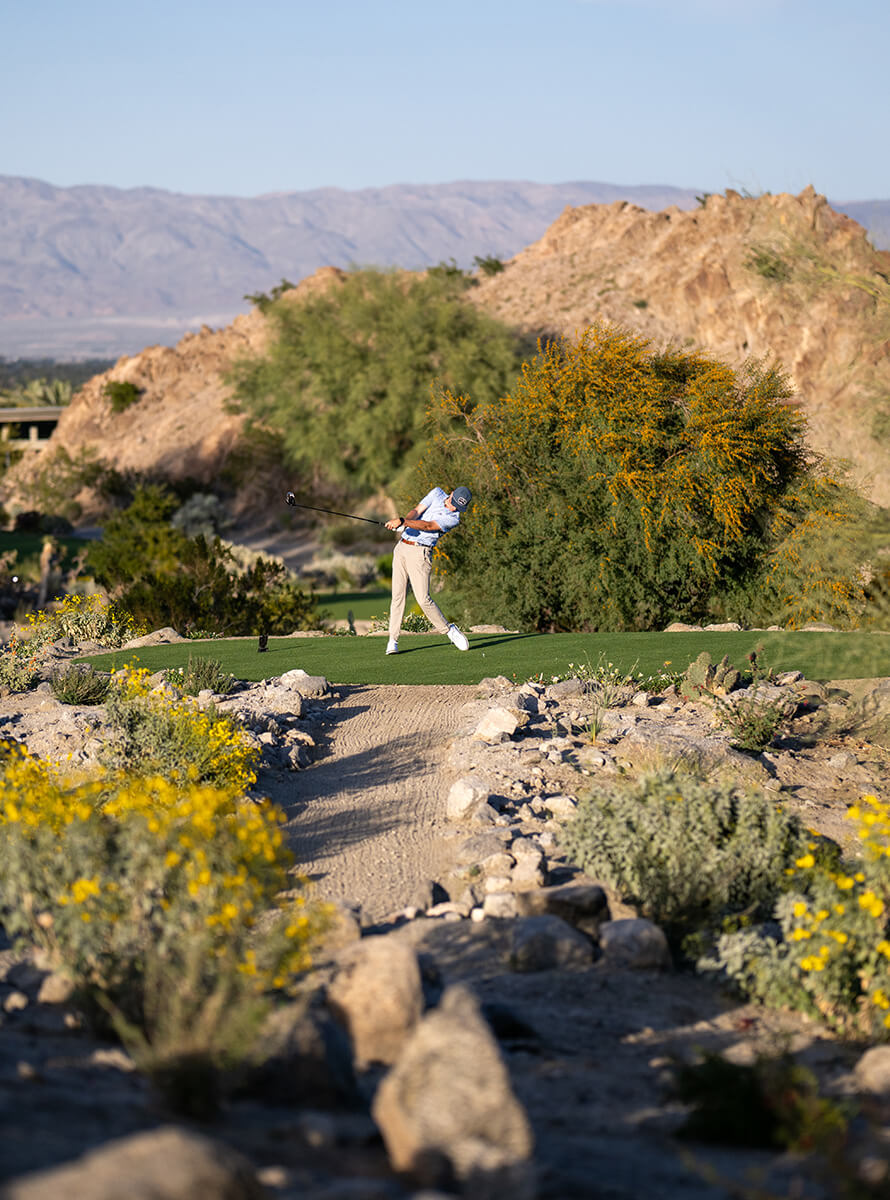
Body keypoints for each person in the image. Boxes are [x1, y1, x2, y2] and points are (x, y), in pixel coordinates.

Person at [383, 486, 472, 654]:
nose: (453, 508)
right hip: (402, 547)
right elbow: (416, 511)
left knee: (423, 599)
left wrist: (403, 522)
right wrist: (403, 523)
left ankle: (449, 630)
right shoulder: (437, 493)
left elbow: (429, 525)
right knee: (397, 596)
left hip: (420, 553)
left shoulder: (453, 518)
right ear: (451, 494)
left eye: (458, 507)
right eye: (453, 503)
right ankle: (392, 640)